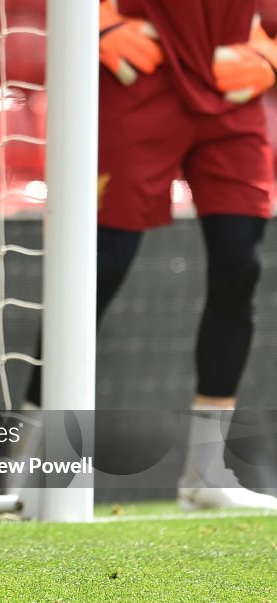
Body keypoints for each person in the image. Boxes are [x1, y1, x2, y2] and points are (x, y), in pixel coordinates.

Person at [25, 1, 277, 510]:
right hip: (142, 76)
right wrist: (92, 18)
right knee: (98, 269)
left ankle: (207, 475)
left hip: (230, 79)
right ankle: (29, 477)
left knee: (240, 267)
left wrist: (273, 53)